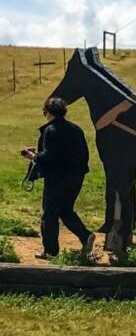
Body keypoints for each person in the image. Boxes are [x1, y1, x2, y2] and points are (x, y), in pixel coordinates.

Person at [22, 96, 94, 260]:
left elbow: (49, 156)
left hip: (57, 178)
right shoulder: (76, 129)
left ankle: (50, 251)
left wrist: (32, 156)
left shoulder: (50, 130)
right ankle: (85, 236)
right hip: (76, 177)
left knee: (50, 214)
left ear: (47, 112)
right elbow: (83, 154)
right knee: (66, 210)